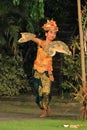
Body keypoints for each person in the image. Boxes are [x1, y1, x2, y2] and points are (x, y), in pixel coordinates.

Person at [18, 19, 71, 118]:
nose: (53, 35)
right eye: (51, 33)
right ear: (46, 34)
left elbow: (52, 59)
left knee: (46, 92)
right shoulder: (41, 43)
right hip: (37, 71)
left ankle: (45, 110)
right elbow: (32, 38)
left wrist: (50, 74)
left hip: (46, 72)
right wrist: (26, 37)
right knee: (38, 94)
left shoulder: (54, 46)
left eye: (54, 33)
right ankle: (44, 107)